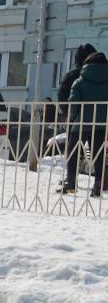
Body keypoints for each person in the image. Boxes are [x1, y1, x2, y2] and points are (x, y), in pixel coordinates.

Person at [66, 46, 108, 197]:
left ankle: (71, 185)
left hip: (80, 125)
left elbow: (73, 103)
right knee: (99, 156)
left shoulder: (80, 81)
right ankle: (97, 186)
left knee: (72, 154)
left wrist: (73, 118)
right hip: (101, 125)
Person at [57, 44, 99, 194]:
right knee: (98, 152)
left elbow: (62, 97)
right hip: (99, 121)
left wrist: (70, 115)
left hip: (76, 121)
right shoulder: (102, 74)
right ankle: (99, 183)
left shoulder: (72, 76)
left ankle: (71, 181)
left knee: (74, 151)